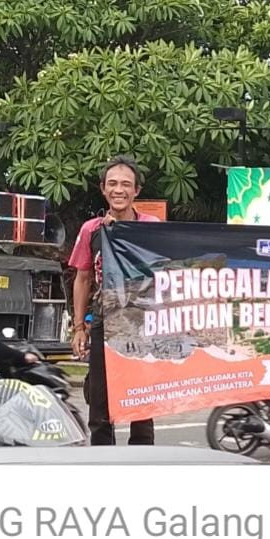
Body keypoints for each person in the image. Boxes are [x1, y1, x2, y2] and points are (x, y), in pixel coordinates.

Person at [69, 155, 161, 446]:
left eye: (125, 184)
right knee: (100, 398)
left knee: (142, 398)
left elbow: (165, 271)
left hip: (141, 319)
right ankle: (102, 459)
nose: (118, 190)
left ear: (136, 191)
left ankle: (142, 458)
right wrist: (79, 327)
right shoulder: (91, 230)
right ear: (103, 188)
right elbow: (83, 279)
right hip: (103, 318)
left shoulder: (152, 227)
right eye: (112, 184)